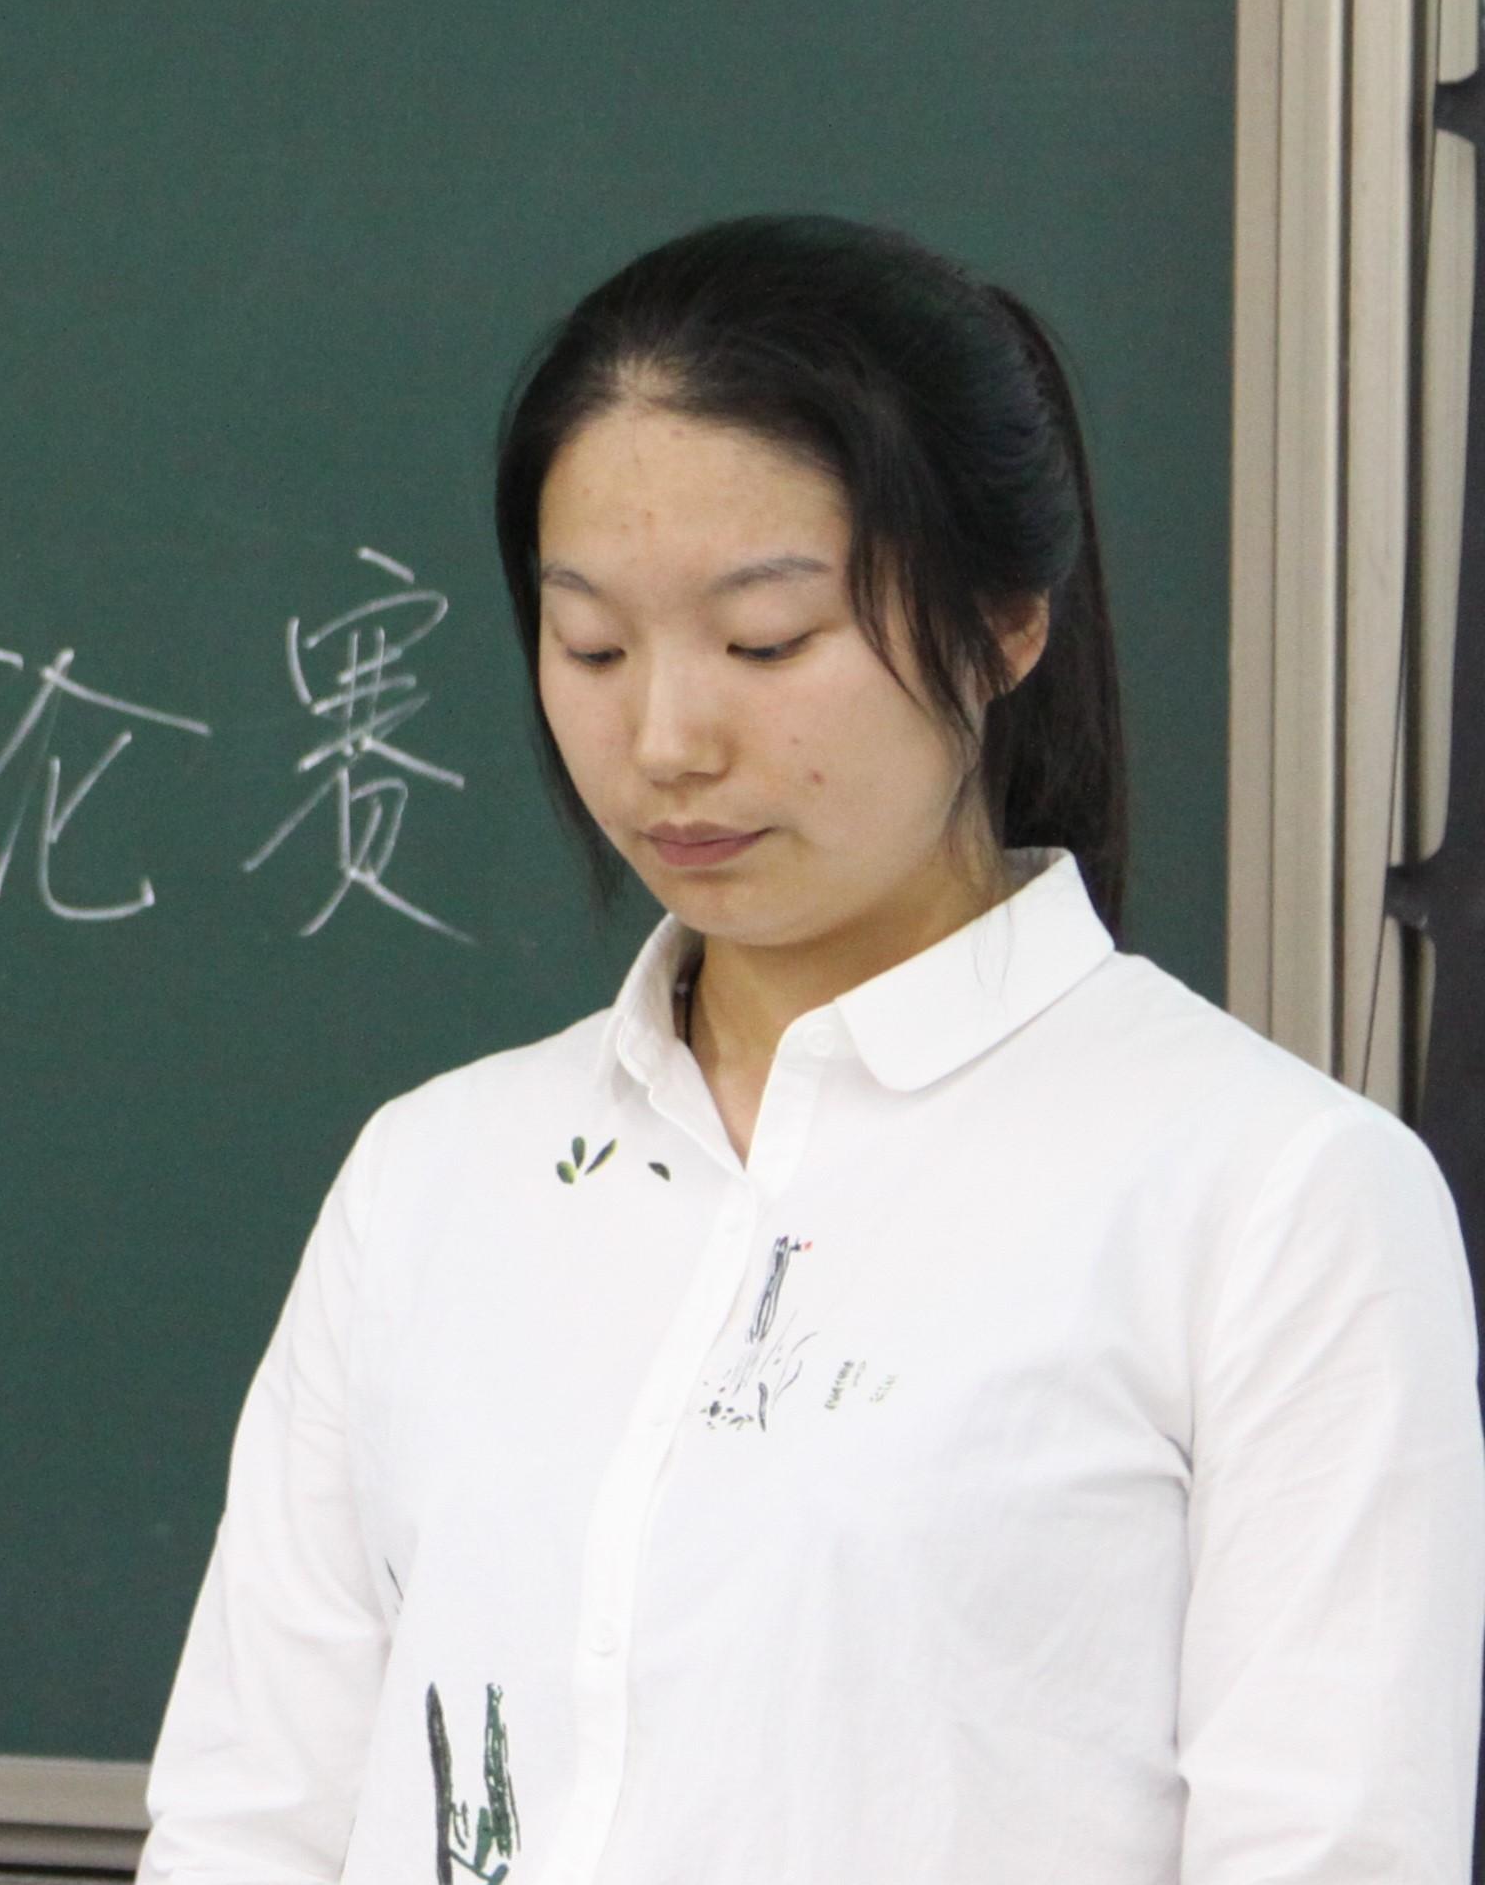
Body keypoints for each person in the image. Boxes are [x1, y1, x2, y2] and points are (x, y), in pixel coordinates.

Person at [138, 215, 1485, 1883]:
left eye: (766, 642)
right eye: (592, 646)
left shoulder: (1274, 1200)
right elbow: (251, 1825)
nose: (665, 740)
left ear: (1002, 623)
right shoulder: (434, 1177)